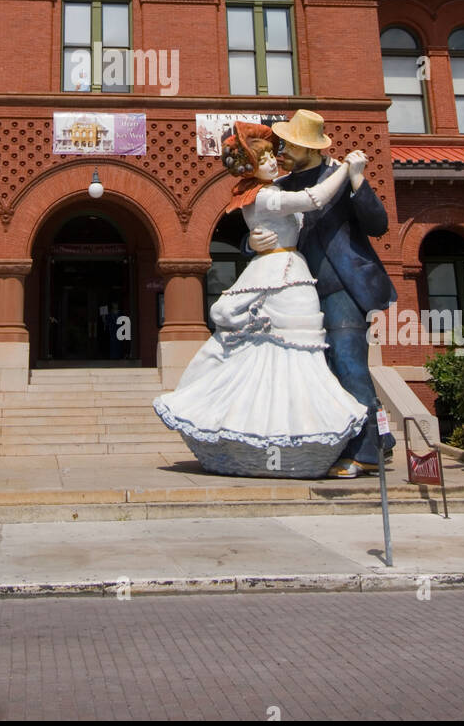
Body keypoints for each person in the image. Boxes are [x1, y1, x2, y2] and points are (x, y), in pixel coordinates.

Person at [152, 122, 369, 477]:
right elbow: (312, 200)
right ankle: (282, 436)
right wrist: (346, 169)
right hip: (282, 275)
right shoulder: (265, 195)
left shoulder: (264, 193)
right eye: (264, 159)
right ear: (250, 168)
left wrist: (253, 241)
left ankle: (288, 435)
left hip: (284, 270)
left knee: (283, 354)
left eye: (271, 156)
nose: (273, 162)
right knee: (288, 353)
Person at [249, 109, 397, 477]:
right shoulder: (280, 186)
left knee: (349, 363)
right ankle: (380, 439)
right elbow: (258, 226)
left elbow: (378, 225)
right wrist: (252, 242)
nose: (282, 149)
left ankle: (367, 453)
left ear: (312, 150)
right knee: (320, 371)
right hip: (296, 290)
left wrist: (359, 181)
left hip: (341, 286)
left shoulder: (342, 175)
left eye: (291, 145)